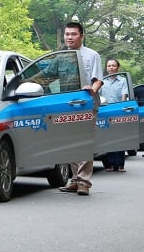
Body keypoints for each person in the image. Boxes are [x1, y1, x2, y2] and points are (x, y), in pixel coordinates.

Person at [52, 22, 103, 196]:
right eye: (67, 34)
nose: (69, 37)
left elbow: (98, 80)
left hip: (86, 105)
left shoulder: (92, 55)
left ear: (81, 36)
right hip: (66, 105)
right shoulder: (60, 56)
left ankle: (84, 182)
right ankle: (74, 179)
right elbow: (47, 77)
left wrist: (91, 92)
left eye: (73, 34)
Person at [101, 58, 129, 172]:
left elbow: (124, 96)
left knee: (119, 138)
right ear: (106, 68)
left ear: (118, 67)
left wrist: (121, 110)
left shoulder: (122, 81)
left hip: (118, 111)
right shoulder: (102, 81)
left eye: (113, 66)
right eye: (109, 66)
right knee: (108, 138)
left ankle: (121, 164)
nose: (111, 68)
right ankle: (111, 164)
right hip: (105, 112)